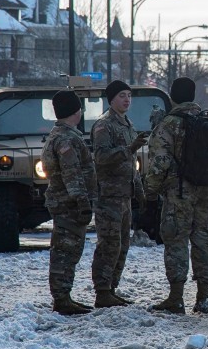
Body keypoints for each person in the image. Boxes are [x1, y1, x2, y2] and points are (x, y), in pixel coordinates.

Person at [145, 77, 208, 315]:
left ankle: (176, 298)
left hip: (179, 191)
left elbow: (160, 161)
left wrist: (150, 192)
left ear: (172, 97)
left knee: (176, 239)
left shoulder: (169, 123)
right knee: (202, 240)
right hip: (207, 191)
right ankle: (203, 298)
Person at [90, 80, 148, 308]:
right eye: (122, 95)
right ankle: (102, 291)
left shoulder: (127, 124)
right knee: (109, 244)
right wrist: (130, 148)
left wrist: (139, 190)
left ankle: (111, 289)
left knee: (122, 244)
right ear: (111, 99)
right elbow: (102, 158)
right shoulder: (105, 125)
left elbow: (131, 163)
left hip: (125, 194)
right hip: (109, 196)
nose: (127, 99)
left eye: (129, 95)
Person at [41, 90, 97, 315]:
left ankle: (63, 296)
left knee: (66, 250)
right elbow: (72, 173)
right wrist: (82, 202)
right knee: (66, 251)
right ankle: (62, 299)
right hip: (69, 204)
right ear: (77, 111)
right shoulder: (67, 138)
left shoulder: (58, 134)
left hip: (63, 202)